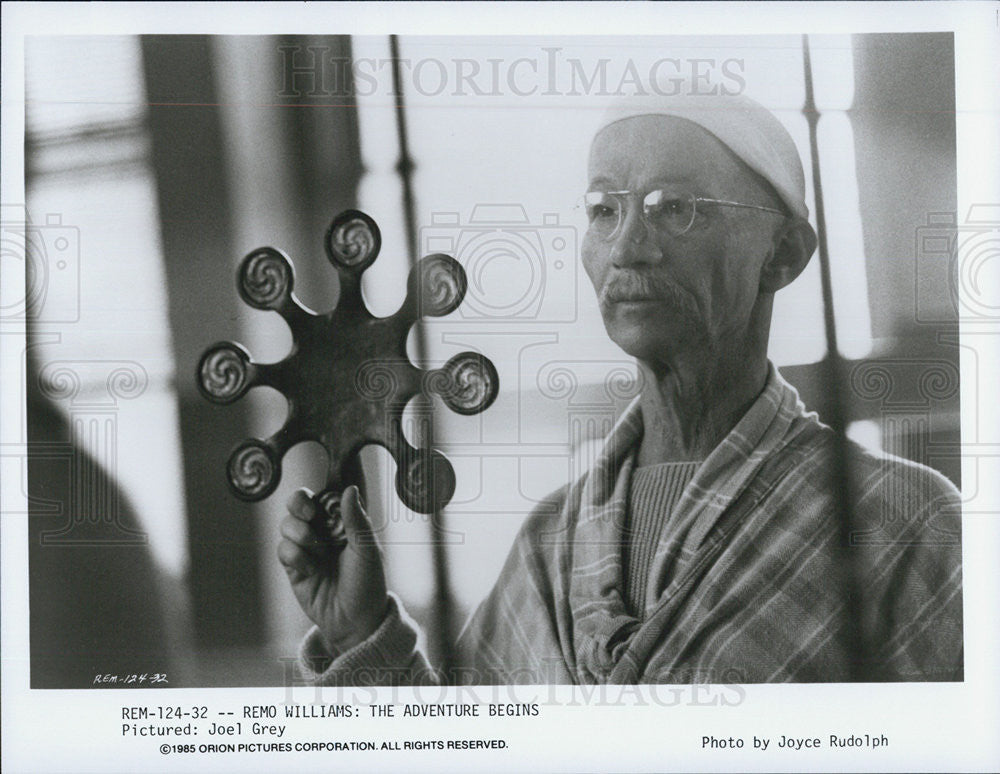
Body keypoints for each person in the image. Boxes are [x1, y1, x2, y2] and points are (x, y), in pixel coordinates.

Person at [277, 88, 962, 685]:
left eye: (676, 207)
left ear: (782, 254)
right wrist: (358, 632)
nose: (628, 246)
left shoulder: (900, 522)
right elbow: (468, 752)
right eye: (604, 209)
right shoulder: (551, 545)